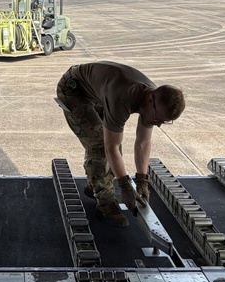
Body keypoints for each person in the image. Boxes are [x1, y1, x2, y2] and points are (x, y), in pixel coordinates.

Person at [56, 62, 184, 227]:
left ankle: (95, 184)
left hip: (98, 93)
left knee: (113, 146)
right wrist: (125, 187)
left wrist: (142, 181)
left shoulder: (153, 102)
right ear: (150, 100)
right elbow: (111, 147)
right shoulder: (123, 96)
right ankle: (105, 204)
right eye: (158, 118)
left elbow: (143, 142)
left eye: (163, 122)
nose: (158, 124)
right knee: (101, 146)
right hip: (73, 89)